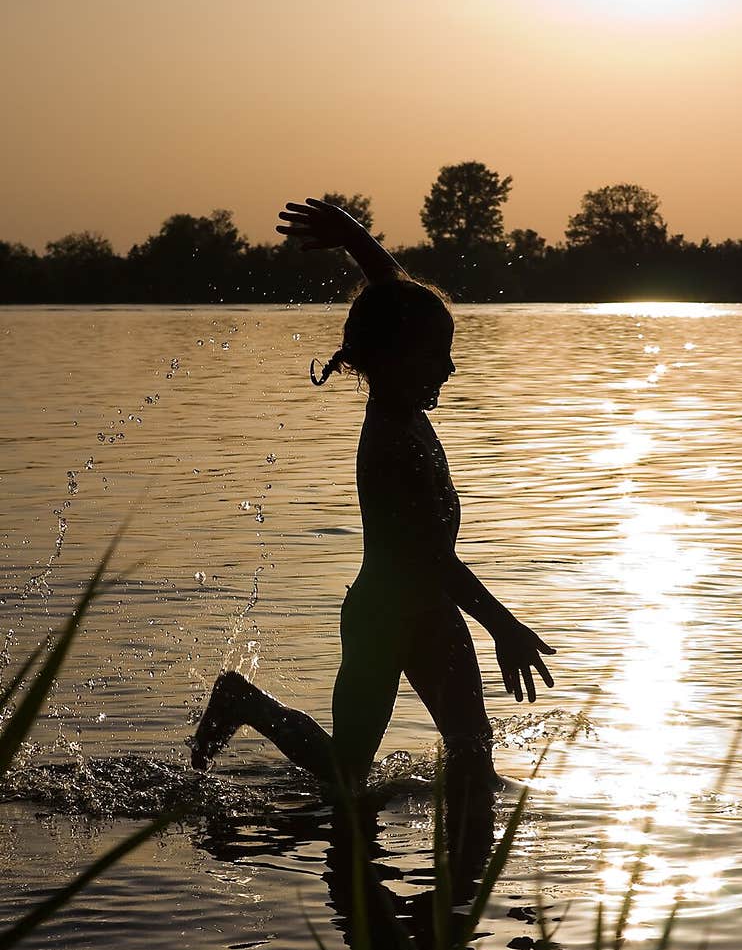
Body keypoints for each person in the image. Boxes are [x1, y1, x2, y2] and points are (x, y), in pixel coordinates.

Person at [190, 198, 555, 794]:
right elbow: (431, 557)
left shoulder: (404, 399)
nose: (451, 368)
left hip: (432, 612)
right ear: (391, 359)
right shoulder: (391, 442)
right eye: (437, 355)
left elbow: (393, 292)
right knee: (347, 774)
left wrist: (355, 238)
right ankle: (243, 701)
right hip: (382, 616)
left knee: (473, 768)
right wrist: (504, 626)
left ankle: (464, 883)